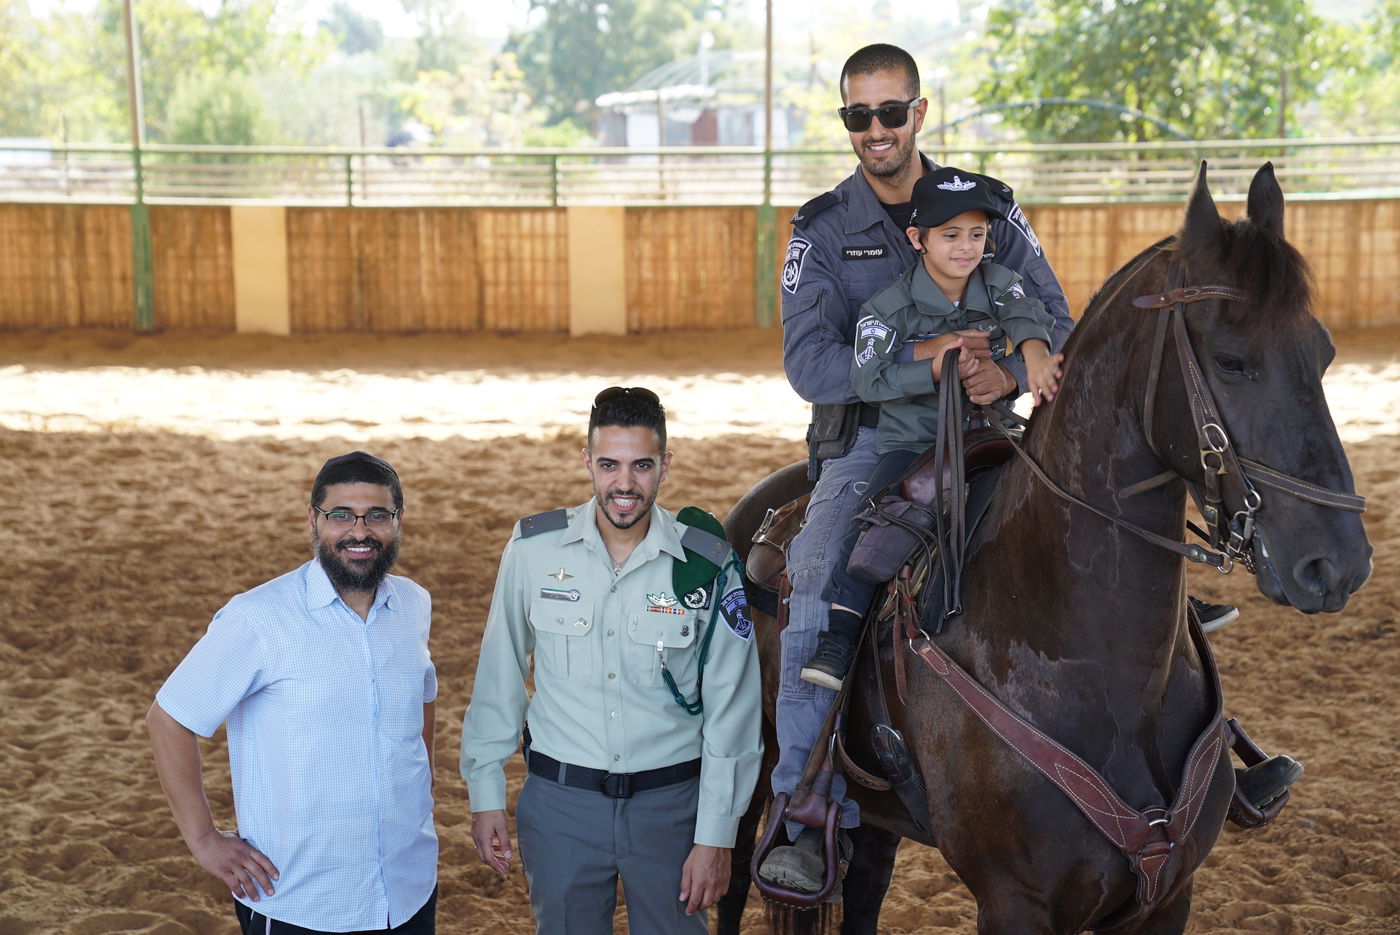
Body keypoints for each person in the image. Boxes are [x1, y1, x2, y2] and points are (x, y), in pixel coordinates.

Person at [761, 42, 1273, 893]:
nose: (875, 129)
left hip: (991, 428)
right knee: (815, 567)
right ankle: (803, 803)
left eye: (891, 112)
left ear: (919, 113)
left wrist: (1003, 369)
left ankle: (1216, 749)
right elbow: (810, 366)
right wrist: (928, 362)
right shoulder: (820, 229)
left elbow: (1056, 321)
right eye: (858, 115)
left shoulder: (986, 206)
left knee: (1114, 535)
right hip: (873, 444)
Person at [460, 386, 763, 935]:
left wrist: (717, 835)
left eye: (641, 465)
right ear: (588, 463)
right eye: (609, 465)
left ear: (665, 465)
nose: (624, 484)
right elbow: (499, 674)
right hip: (561, 809)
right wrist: (485, 794)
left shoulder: (709, 563)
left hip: (672, 810)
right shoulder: (533, 550)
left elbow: (734, 709)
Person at [147, 451, 438, 934]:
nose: (359, 532)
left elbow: (422, 696)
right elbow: (170, 719)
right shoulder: (257, 618)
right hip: (302, 899)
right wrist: (203, 839)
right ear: (313, 519)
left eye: (376, 515)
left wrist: (420, 787)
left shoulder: (413, 603)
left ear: (398, 520)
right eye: (341, 515)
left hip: (408, 886)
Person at [800, 166, 1062, 691]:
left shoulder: (1000, 283)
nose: (966, 248)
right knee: (876, 522)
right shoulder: (887, 308)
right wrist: (934, 370)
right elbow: (868, 379)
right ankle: (839, 637)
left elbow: (1028, 316)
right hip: (914, 443)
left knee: (1064, 491)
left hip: (991, 432)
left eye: (977, 235)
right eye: (950, 235)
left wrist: (1031, 359)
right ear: (917, 239)